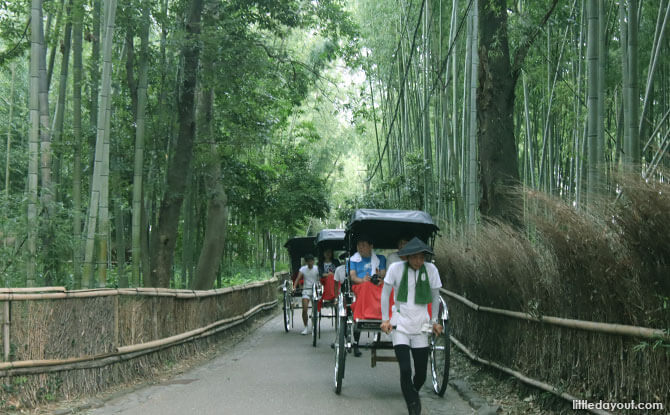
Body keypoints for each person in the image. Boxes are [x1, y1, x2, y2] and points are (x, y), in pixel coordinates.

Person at [380, 237, 443, 415]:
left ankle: (410, 391)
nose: (418, 261)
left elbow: (436, 297)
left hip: (422, 324)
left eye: (421, 257)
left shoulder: (431, 270)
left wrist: (435, 321)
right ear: (406, 257)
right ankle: (413, 405)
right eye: (414, 257)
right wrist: (385, 319)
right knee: (406, 369)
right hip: (400, 322)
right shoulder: (395, 269)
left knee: (421, 374)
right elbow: (385, 295)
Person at [349, 233, 386, 356]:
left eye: (364, 245)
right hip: (360, 286)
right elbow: (353, 277)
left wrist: (380, 278)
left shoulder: (380, 258)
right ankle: (356, 339)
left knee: (386, 288)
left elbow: (383, 273)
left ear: (371, 246)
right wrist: (363, 280)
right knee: (365, 287)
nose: (360, 248)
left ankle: (386, 317)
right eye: (359, 245)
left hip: (375, 285)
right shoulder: (353, 260)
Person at [293, 253, 319, 335]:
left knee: (315, 311)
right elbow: (298, 278)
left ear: (313, 261)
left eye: (311, 261)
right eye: (308, 261)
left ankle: (314, 326)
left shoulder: (317, 269)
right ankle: (306, 327)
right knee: (304, 309)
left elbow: (321, 279)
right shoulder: (303, 269)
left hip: (315, 290)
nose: (310, 263)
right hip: (306, 290)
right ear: (306, 262)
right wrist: (294, 287)